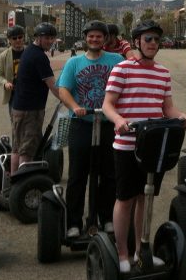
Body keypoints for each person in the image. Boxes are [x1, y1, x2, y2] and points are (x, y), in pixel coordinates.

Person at [103, 21, 186, 273]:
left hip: (152, 146)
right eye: (148, 39)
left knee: (146, 197)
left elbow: (167, 108)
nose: (153, 43)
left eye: (156, 40)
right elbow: (108, 104)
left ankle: (142, 250)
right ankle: (122, 254)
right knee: (125, 199)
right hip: (127, 145)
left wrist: (181, 116)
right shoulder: (122, 69)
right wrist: (119, 120)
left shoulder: (162, 72)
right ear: (137, 41)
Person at [57, 21, 124, 238]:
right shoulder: (74, 62)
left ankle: (106, 218)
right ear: (85, 38)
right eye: (91, 36)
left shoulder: (116, 61)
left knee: (109, 173)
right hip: (82, 124)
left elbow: (127, 84)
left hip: (107, 124)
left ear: (105, 39)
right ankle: (74, 222)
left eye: (99, 36)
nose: (95, 40)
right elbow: (63, 90)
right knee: (77, 174)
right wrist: (75, 107)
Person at [10, 22, 60, 174]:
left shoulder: (29, 51)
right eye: (47, 38)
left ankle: (13, 184)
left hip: (20, 108)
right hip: (30, 111)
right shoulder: (39, 57)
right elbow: (52, 85)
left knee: (17, 148)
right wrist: (69, 101)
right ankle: (23, 188)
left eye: (52, 38)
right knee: (27, 152)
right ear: (38, 37)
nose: (51, 41)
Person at [0, 25, 26, 118]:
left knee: (30, 122)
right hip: (13, 95)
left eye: (20, 37)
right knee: (15, 121)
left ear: (23, 37)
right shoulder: (3, 55)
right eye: (14, 38)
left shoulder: (30, 52)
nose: (18, 40)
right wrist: (5, 83)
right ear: (9, 40)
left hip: (29, 93)